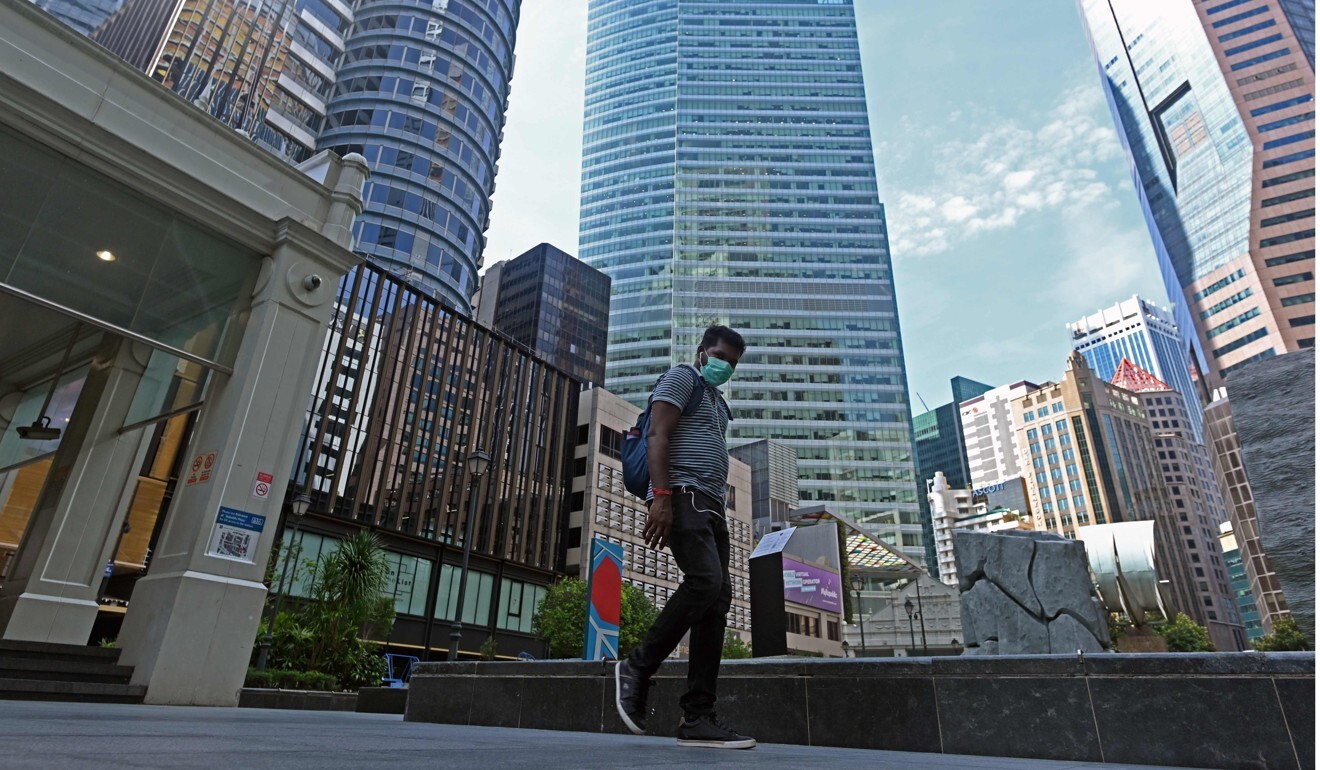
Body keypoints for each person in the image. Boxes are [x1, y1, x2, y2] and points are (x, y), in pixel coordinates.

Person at [614, 325, 755, 750]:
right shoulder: (682, 378)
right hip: (684, 493)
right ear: (701, 352)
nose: (723, 365)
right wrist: (661, 497)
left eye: (731, 362)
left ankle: (698, 717)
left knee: (716, 603)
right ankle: (637, 667)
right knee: (705, 582)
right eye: (718, 355)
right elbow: (657, 434)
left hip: (712, 506)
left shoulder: (716, 401)